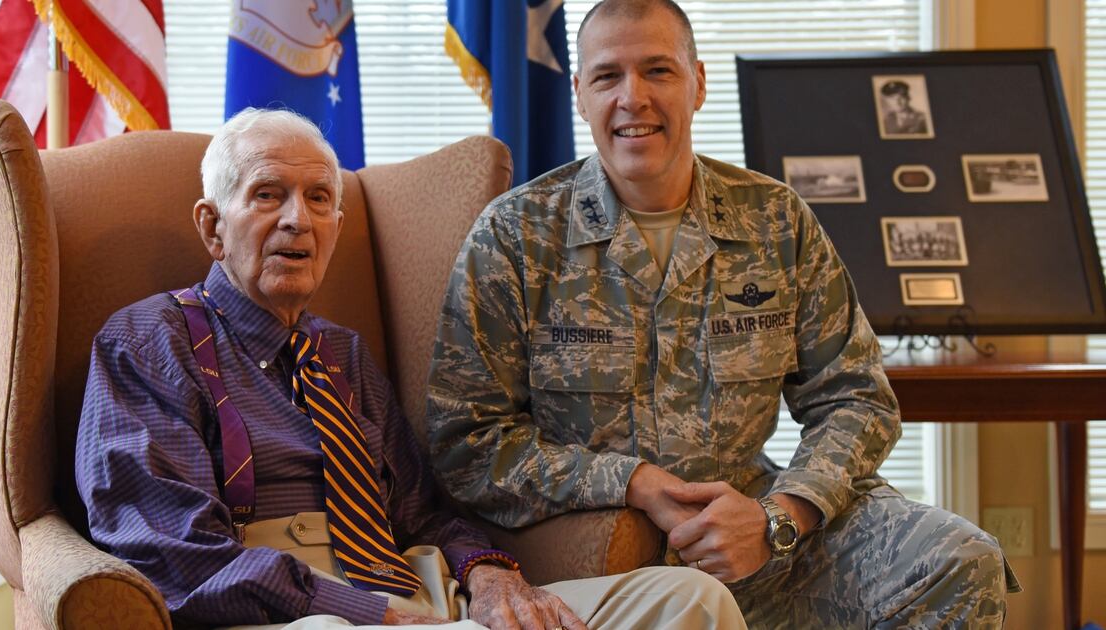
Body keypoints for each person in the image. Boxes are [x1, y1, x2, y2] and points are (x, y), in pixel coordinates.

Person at [425, 0, 1016, 627]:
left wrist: (782, 516)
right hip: (603, 551)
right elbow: (464, 441)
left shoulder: (775, 220)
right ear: (578, 93)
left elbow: (856, 400)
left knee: (960, 560)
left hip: (760, 531)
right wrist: (632, 482)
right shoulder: (516, 237)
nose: (633, 98)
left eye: (658, 71)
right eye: (607, 76)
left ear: (698, 83)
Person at [76, 107, 746, 629]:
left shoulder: (342, 353)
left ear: (337, 226)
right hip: (280, 606)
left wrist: (490, 577)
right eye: (266, 195)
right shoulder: (148, 340)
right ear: (212, 228)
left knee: (687, 599)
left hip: (409, 583)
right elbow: (172, 553)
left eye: (318, 199)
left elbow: (421, 513)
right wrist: (371, 611)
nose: (296, 221)